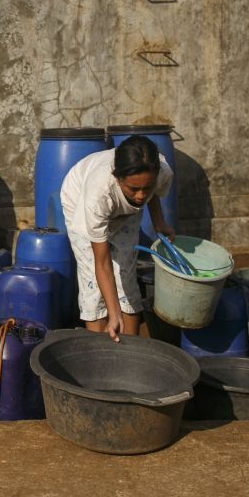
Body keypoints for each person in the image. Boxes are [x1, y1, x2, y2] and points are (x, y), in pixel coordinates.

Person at [60, 135, 174, 342]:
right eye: (134, 188)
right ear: (118, 178)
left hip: (123, 208)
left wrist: (160, 223)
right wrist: (114, 313)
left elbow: (153, 192)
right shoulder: (98, 193)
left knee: (125, 271)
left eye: (145, 188)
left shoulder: (162, 172)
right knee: (93, 283)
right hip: (80, 198)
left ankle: (131, 351)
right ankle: (99, 354)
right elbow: (101, 262)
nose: (140, 196)